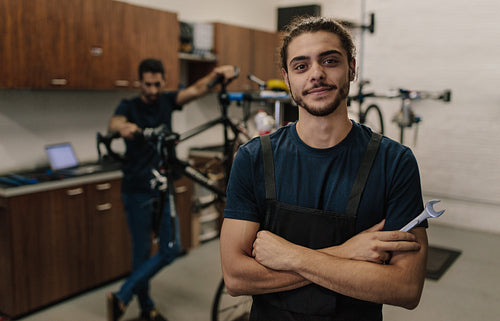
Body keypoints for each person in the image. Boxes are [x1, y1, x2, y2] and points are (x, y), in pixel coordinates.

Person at [220, 16, 428, 320]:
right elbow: (236, 278)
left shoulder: (394, 162)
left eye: (330, 60)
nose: (316, 74)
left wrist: (290, 256)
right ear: (287, 78)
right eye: (301, 66)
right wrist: (347, 253)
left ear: (352, 68)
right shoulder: (253, 159)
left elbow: (406, 288)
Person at [106, 58, 238, 321]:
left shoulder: (167, 101)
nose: (153, 90)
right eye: (148, 84)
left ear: (163, 81)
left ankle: (123, 295)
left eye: (157, 84)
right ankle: (146, 308)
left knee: (172, 248)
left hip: (163, 187)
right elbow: (115, 123)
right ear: (139, 82)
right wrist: (125, 128)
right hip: (137, 189)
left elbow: (197, 89)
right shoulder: (129, 106)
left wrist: (219, 75)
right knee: (141, 254)